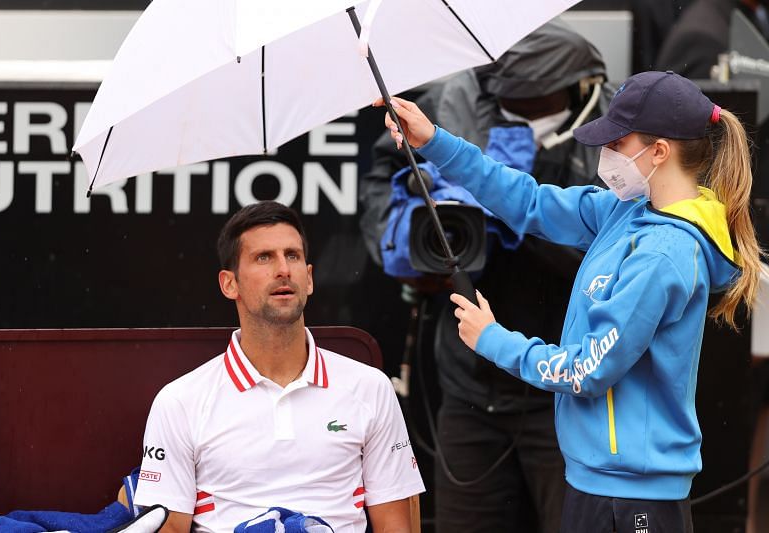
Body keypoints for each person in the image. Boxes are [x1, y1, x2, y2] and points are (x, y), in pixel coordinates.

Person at [378, 70, 763, 533]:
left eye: (618, 143)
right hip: (602, 487)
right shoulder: (629, 210)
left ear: (659, 152)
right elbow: (529, 202)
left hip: (631, 498)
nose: (606, 154)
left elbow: (587, 370)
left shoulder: (663, 253)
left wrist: (493, 340)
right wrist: (435, 141)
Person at [359, 21, 610, 533]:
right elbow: (383, 186)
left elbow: (582, 234)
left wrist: (517, 222)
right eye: (506, 94)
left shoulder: (607, 136)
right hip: (469, 387)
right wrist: (408, 242)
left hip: (565, 390)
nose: (514, 100)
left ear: (577, 86)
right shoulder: (450, 102)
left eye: (533, 96)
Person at [133, 201, 425, 533]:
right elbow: (170, 529)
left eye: (292, 256)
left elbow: (397, 526)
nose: (283, 269)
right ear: (230, 284)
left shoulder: (370, 387)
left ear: (309, 278)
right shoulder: (179, 401)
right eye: (264, 257)